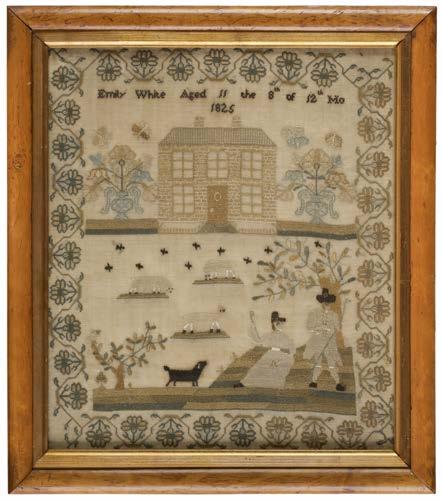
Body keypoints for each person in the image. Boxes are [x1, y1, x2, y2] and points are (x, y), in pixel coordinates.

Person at [234, 311, 294, 389]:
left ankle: (274, 383)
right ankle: (244, 383)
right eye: (274, 323)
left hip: (282, 357)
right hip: (271, 354)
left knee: (276, 370)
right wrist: (252, 321)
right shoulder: (269, 335)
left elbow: (290, 351)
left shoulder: (285, 337)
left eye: (278, 323)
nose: (276, 325)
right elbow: (257, 339)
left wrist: (277, 354)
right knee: (258, 367)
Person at [304, 288, 345, 391]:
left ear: (330, 302)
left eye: (328, 301)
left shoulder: (334, 315)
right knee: (317, 362)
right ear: (321, 301)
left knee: (331, 362)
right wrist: (318, 329)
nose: (326, 303)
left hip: (330, 342)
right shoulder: (314, 313)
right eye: (324, 300)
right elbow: (309, 327)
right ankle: (313, 382)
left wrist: (338, 324)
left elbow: (338, 329)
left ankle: (338, 383)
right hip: (318, 341)